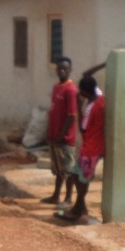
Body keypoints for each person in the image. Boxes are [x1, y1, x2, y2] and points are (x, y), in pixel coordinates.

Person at [56, 74, 106, 223]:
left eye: (81, 91)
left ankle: (77, 209)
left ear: (85, 92)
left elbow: (82, 129)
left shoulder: (91, 107)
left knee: (83, 179)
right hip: (90, 147)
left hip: (91, 149)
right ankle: (80, 207)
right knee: (75, 175)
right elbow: (88, 77)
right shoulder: (100, 97)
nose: (79, 93)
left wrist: (78, 105)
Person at [42, 56, 78, 206]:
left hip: (65, 139)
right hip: (54, 136)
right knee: (58, 169)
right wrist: (50, 133)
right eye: (59, 68)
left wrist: (61, 135)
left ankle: (68, 198)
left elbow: (71, 116)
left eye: (65, 68)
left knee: (68, 169)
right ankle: (56, 195)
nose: (62, 71)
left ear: (70, 70)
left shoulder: (71, 90)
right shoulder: (56, 87)